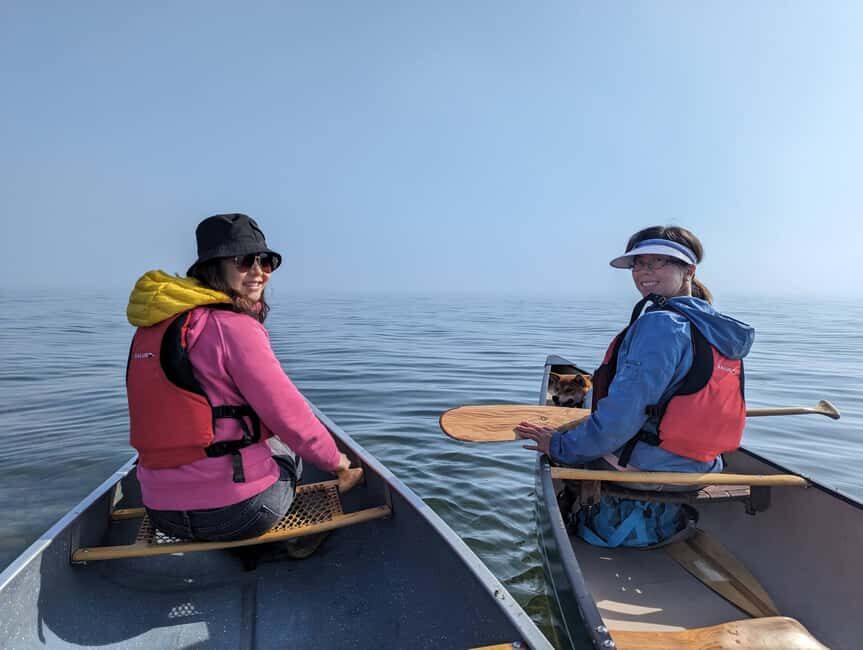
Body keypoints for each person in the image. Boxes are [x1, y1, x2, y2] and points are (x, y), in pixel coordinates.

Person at [125, 213, 363, 546]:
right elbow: (289, 415)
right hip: (240, 512)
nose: (258, 271)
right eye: (242, 260)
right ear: (214, 267)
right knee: (287, 447)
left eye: (266, 261)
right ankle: (282, 543)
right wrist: (338, 462)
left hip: (161, 511)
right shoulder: (234, 327)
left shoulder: (153, 328)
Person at [516, 225, 754, 547]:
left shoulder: (660, 324)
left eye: (658, 262)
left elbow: (621, 419)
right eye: (638, 264)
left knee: (562, 450)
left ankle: (580, 526)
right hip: (704, 465)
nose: (644, 272)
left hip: (648, 468)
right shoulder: (715, 327)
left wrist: (558, 446)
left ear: (689, 270)